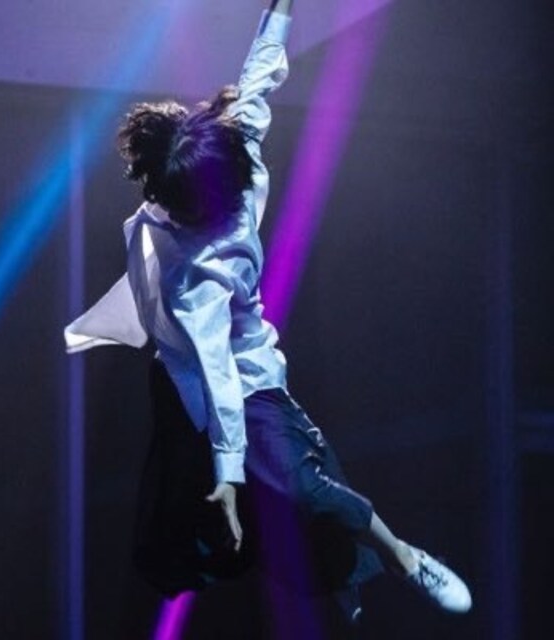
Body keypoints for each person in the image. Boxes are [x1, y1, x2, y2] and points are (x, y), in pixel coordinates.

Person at [64, 0, 472, 631]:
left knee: (301, 490)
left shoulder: (202, 262)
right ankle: (333, 572)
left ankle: (404, 558)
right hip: (180, 382)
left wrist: (229, 471)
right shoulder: (207, 188)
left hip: (244, 383)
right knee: (188, 538)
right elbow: (259, 73)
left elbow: (222, 376)